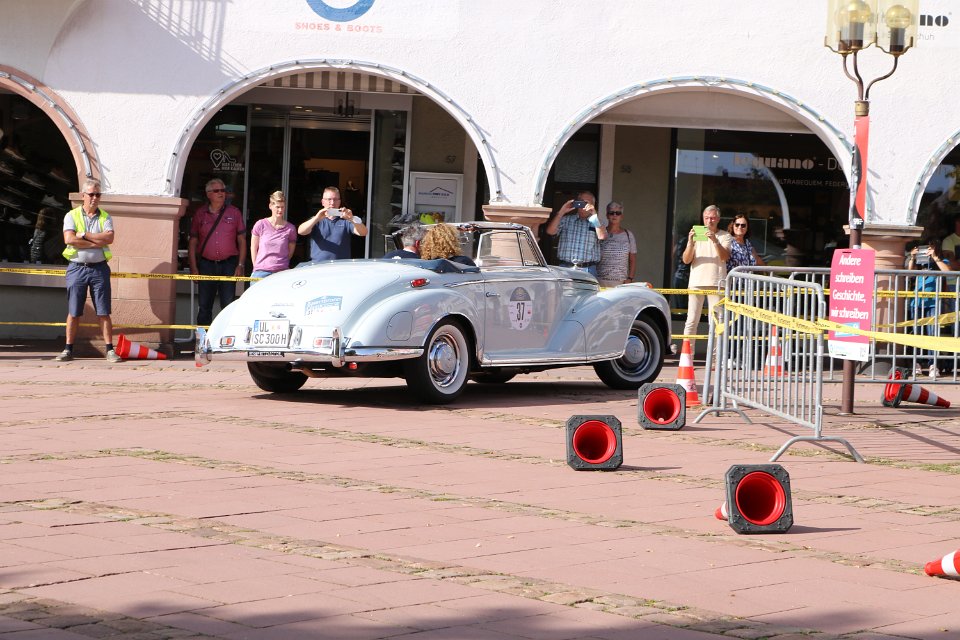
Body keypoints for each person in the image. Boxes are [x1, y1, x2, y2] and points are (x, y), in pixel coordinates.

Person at [54, 179, 122, 363]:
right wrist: (96, 242)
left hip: (99, 269)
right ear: (83, 196)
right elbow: (69, 239)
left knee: (103, 311)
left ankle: (110, 350)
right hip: (77, 268)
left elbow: (109, 239)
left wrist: (84, 235)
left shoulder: (105, 217)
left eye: (98, 194)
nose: (94, 198)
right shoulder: (72, 215)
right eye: (91, 194)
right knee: (74, 311)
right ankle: (68, 349)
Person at [188, 178, 246, 326]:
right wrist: (193, 268)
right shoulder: (200, 214)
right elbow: (193, 242)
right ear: (208, 194)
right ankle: (203, 338)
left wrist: (240, 264)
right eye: (216, 191)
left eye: (223, 190)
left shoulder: (234, 213)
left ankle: (225, 337)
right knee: (204, 306)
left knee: (228, 305)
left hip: (228, 264)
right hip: (206, 265)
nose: (221, 193)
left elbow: (242, 240)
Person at [681, 205, 732, 354]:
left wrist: (715, 240)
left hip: (717, 283)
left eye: (713, 218)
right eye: (707, 218)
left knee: (716, 322)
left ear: (718, 219)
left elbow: (725, 257)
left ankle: (715, 358)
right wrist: (690, 242)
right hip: (696, 282)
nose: (710, 221)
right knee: (691, 321)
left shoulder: (725, 236)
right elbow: (686, 260)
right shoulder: (698, 234)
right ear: (703, 219)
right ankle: (687, 355)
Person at [544, 190, 607, 275]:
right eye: (581, 202)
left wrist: (594, 214)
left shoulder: (597, 222)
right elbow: (550, 231)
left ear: (593, 205)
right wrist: (561, 212)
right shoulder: (566, 220)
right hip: (565, 268)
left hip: (588, 269)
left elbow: (602, 236)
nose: (583, 205)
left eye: (586, 203)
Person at [297, 186, 368, 261]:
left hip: (340, 265)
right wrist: (317, 218)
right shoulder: (316, 220)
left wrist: (352, 219)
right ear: (323, 202)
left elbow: (363, 232)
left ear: (339, 202)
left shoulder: (346, 220)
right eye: (329, 199)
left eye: (335, 199)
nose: (332, 203)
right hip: (319, 264)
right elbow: (301, 231)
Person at [250, 191, 297, 279]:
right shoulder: (260, 224)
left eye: (282, 207)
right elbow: (253, 247)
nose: (280, 210)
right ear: (270, 206)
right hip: (261, 271)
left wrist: (280, 264)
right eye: (277, 207)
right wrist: (256, 267)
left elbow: (290, 253)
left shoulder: (290, 228)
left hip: (281, 272)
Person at [596, 201, 636, 287]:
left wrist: (630, 278)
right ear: (607, 215)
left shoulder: (628, 235)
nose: (614, 215)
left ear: (622, 216)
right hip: (601, 281)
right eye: (611, 213)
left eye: (618, 213)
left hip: (621, 282)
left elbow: (632, 259)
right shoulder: (601, 233)